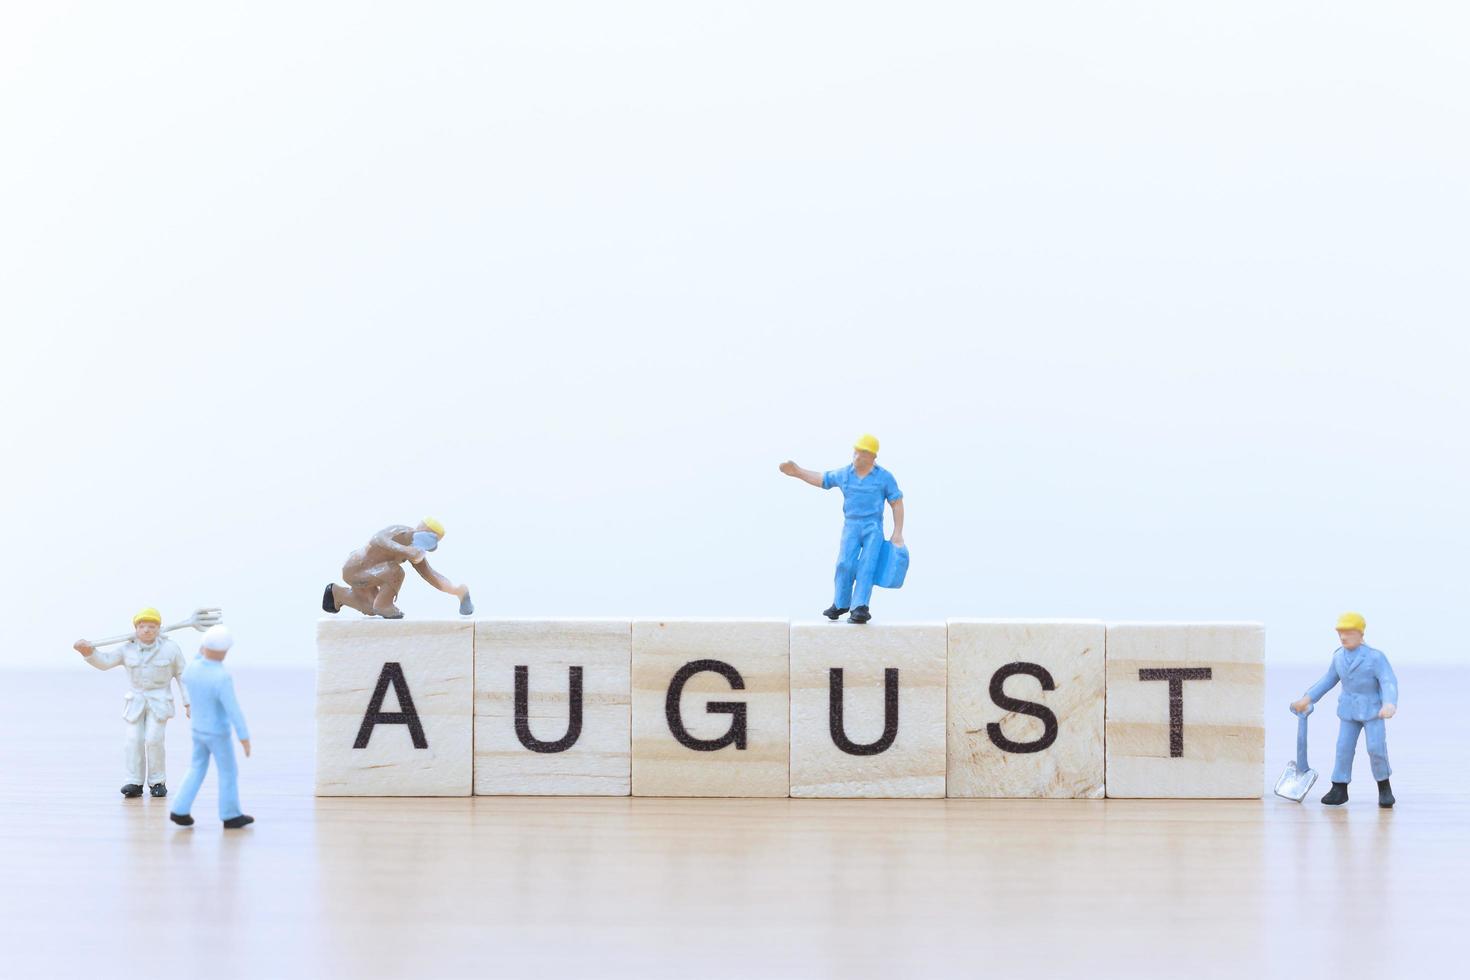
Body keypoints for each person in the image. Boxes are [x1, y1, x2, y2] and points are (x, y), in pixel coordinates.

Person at [779, 434, 905, 624]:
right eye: (855, 451)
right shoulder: (845, 474)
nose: (857, 457)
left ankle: (859, 606)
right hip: (851, 526)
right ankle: (840, 603)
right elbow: (822, 479)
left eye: (862, 453)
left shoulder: (884, 477)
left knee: (867, 566)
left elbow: (896, 503)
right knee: (844, 563)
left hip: (873, 527)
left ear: (872, 457)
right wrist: (798, 472)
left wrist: (897, 532)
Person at [73, 607, 190, 798]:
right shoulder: (127, 648)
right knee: (133, 741)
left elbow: (183, 675)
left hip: (160, 702)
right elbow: (106, 662)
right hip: (135, 703)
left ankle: (157, 782)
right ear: (136, 628)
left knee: (154, 740)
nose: (146, 630)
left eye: (151, 626)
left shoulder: (171, 649)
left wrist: (189, 702)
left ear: (159, 628)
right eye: (142, 626)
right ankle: (134, 782)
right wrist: (89, 653)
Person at [1291, 612, 1399, 808]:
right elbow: (1327, 680)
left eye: (1348, 632)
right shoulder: (1338, 657)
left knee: (1376, 749)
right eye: (1340, 633)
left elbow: (1388, 681)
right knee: (1343, 749)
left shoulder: (1375, 657)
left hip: (1373, 711)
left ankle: (1384, 787)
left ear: (1360, 633)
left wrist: (1389, 703)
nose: (1343, 637)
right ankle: (1339, 788)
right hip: (1348, 711)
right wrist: (1307, 698)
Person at [169, 625, 254, 829]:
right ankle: (230, 815)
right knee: (228, 772)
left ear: (203, 647)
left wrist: (202, 650)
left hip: (198, 730)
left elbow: (196, 662)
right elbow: (233, 709)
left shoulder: (192, 669)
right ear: (225, 652)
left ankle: (179, 809)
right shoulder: (221, 677)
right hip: (217, 733)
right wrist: (244, 736)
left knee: (196, 767)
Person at [323, 517, 472, 618]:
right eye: (427, 539)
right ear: (420, 530)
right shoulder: (399, 533)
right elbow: (379, 539)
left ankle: (337, 594)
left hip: (372, 574)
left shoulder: (415, 550)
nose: (425, 545)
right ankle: (384, 605)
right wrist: (404, 549)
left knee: (369, 608)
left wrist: (456, 591)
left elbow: (430, 575)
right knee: (394, 571)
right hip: (355, 569)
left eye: (431, 544)